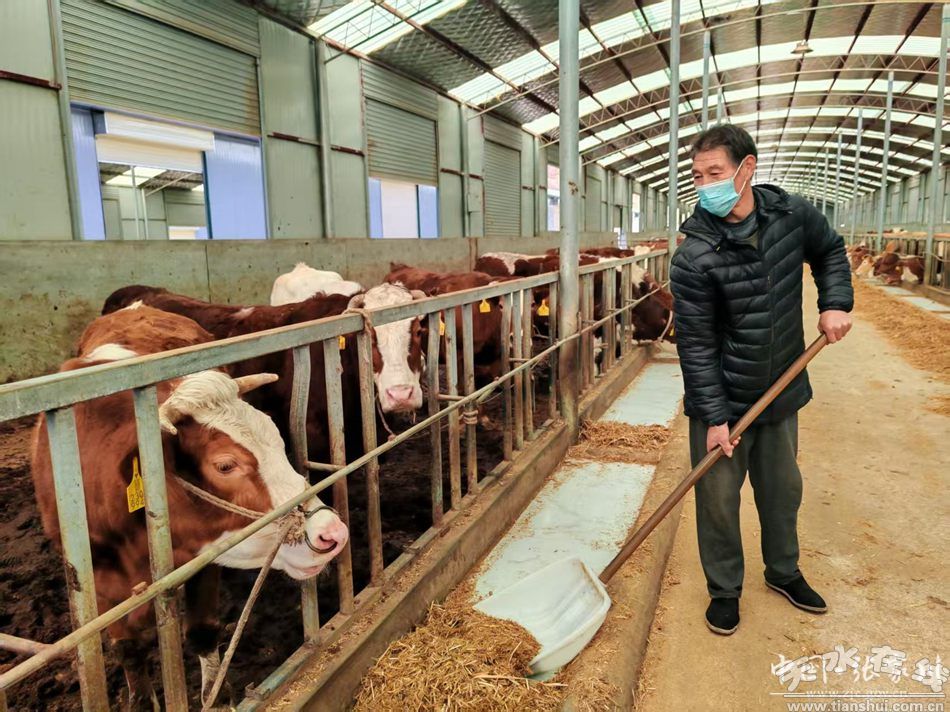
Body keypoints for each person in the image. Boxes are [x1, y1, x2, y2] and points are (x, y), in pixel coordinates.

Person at [669, 124, 853, 635]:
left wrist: (835, 302)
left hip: (782, 388)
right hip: (723, 400)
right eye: (698, 176)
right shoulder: (694, 255)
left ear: (747, 168)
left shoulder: (792, 215)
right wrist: (714, 418)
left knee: (782, 491)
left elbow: (830, 251)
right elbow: (696, 345)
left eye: (716, 173)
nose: (706, 185)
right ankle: (724, 590)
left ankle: (783, 572)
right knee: (718, 502)